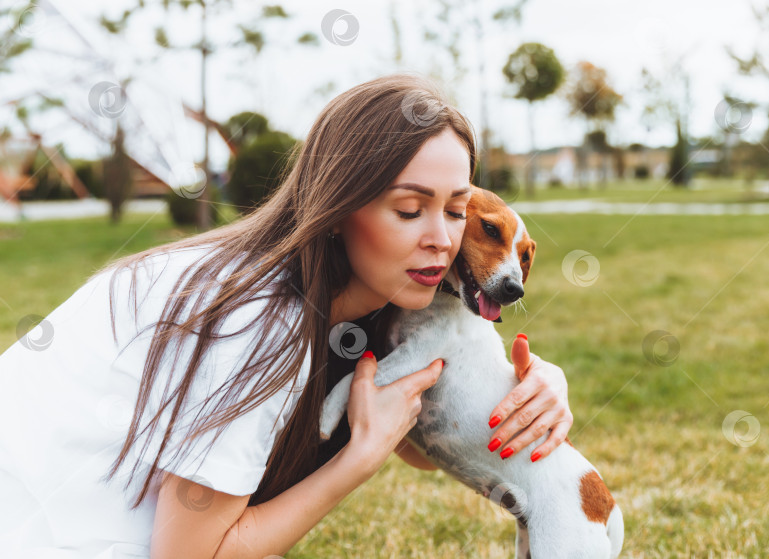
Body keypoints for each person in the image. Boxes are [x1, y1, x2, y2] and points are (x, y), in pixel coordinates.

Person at [0, 73, 574, 559]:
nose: (441, 240)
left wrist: (533, 388)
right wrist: (357, 460)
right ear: (335, 207)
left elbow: (412, 436)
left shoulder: (326, 291)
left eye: (455, 210)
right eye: (408, 209)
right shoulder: (258, 321)